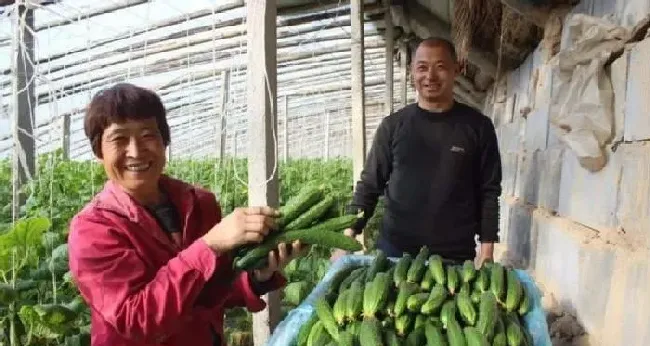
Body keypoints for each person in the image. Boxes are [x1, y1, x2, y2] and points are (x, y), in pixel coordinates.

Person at [67, 83, 304, 346]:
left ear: (164, 141)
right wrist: (209, 245)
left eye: (148, 136)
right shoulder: (92, 230)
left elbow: (211, 291)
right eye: (119, 139)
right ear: (99, 150)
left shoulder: (200, 203)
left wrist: (259, 275)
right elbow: (136, 320)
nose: (135, 151)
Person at [332, 37, 502, 266]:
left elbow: (489, 192)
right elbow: (370, 186)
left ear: (457, 69)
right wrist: (346, 239)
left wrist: (487, 252)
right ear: (412, 72)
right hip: (394, 255)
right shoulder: (393, 127)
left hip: (455, 258)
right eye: (422, 68)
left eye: (440, 67)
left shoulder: (478, 127)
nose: (430, 76)